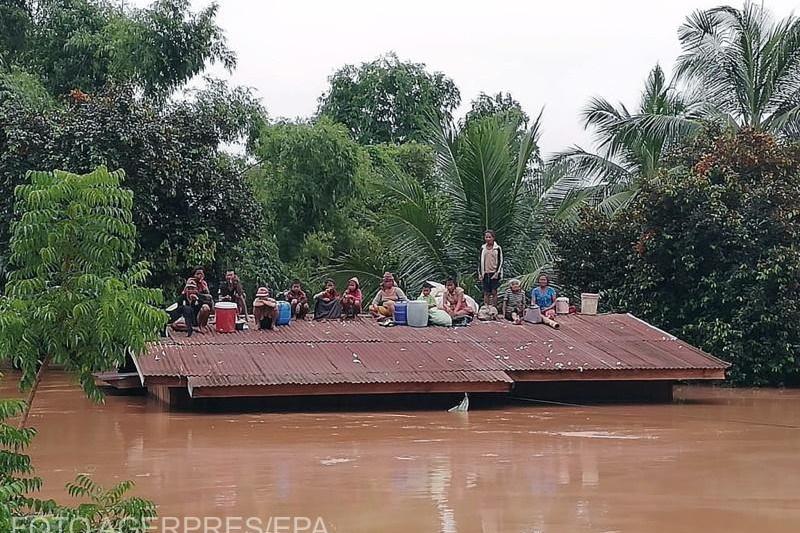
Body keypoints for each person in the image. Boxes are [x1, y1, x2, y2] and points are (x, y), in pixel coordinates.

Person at [478, 230, 503, 308]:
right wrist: (480, 273)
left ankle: (494, 308)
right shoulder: (483, 248)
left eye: (490, 237)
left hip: (494, 272)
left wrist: (497, 273)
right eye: (486, 237)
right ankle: (486, 308)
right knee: (486, 292)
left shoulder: (497, 248)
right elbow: (479, 261)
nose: (488, 239)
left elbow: (500, 261)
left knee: (494, 291)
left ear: (493, 238)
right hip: (485, 272)